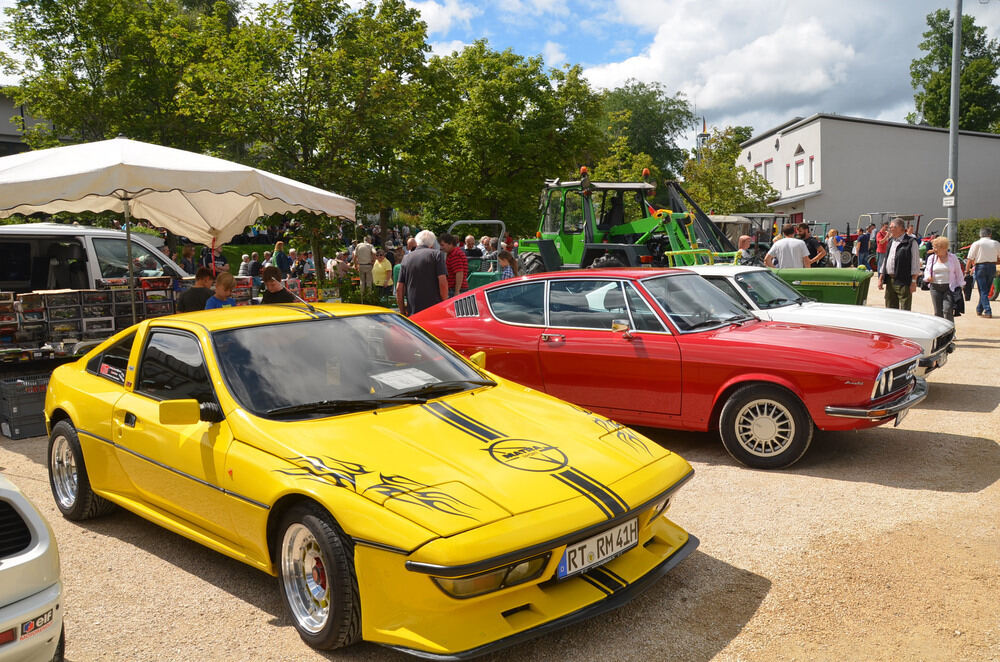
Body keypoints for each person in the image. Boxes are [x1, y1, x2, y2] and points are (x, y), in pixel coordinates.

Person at [396, 229, 448, 316]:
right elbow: (443, 282)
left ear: (417, 242)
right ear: (432, 244)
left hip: (413, 311)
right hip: (434, 310)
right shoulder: (437, 255)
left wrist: (402, 311)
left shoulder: (406, 258)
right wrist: (444, 303)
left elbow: (399, 288)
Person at [878, 217, 921, 310]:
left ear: (899, 228)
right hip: (890, 280)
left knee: (905, 309)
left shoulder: (911, 242)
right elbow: (886, 260)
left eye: (891, 227)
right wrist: (881, 277)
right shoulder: (890, 241)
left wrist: (913, 282)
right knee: (890, 308)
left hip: (903, 281)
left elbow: (915, 263)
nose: (889, 229)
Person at [923, 236, 964, 321]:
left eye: (936, 247)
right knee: (938, 312)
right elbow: (927, 270)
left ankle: (950, 332)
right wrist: (928, 277)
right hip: (935, 287)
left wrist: (961, 284)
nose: (934, 250)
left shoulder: (953, 258)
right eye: (933, 247)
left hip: (949, 287)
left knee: (947, 309)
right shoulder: (932, 258)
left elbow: (958, 272)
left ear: (943, 248)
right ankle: (940, 332)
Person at [965, 227, 1000, 318]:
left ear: (980, 235)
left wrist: (966, 271)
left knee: (983, 290)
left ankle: (988, 311)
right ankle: (979, 309)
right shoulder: (996, 243)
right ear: (990, 234)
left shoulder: (976, 243)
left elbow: (970, 259)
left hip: (980, 267)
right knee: (986, 290)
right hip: (992, 267)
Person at [439, 233, 468, 297]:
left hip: (455, 289)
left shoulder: (455, 254)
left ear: (450, 243)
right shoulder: (454, 253)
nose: (441, 248)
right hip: (457, 288)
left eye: (442, 245)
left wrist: (457, 291)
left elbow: (459, 273)